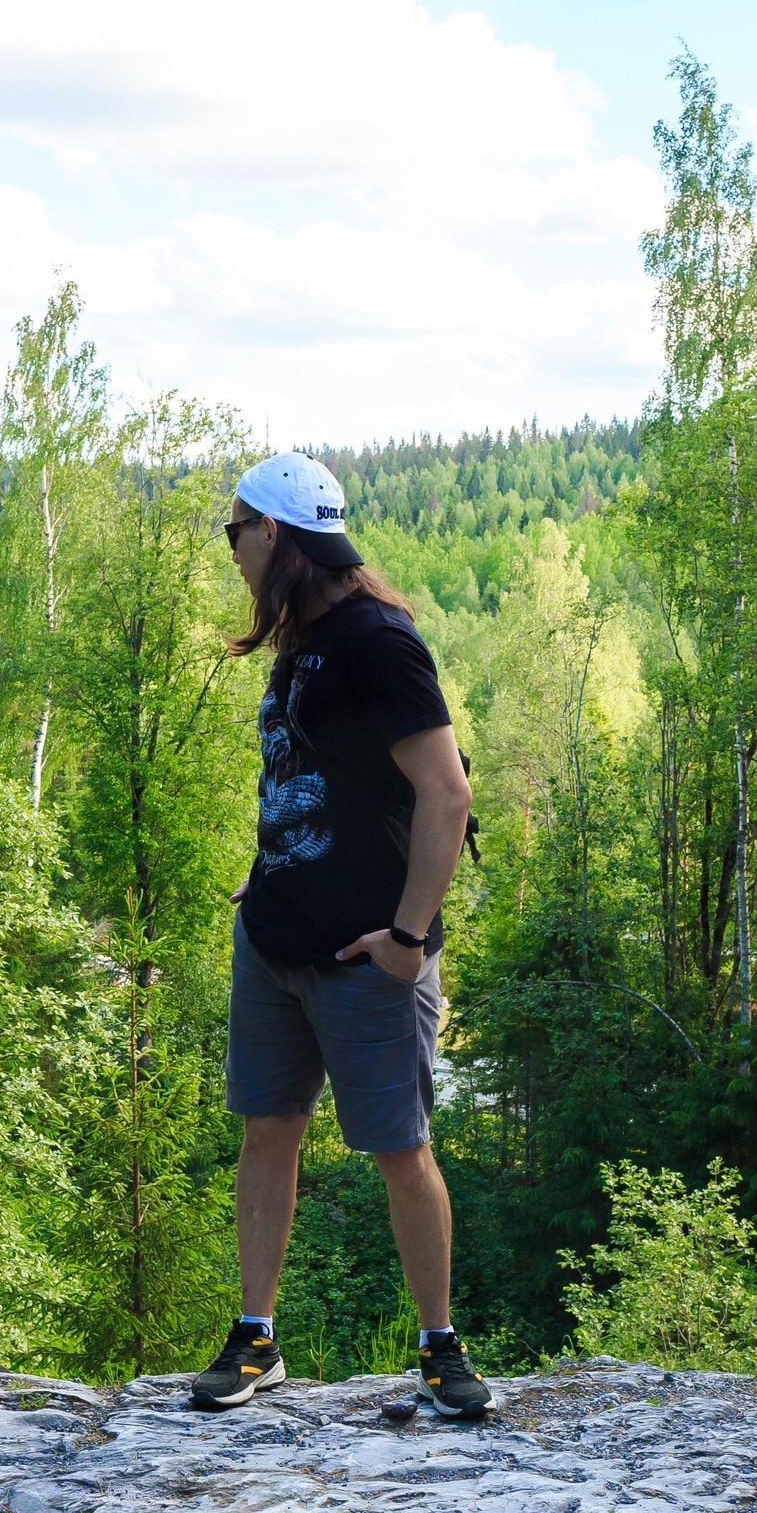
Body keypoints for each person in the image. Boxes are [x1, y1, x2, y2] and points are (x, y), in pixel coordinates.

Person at [187, 451, 490, 1419]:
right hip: (275, 941)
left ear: (273, 535)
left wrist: (407, 938)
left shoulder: (374, 640)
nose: (229, 549)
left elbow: (446, 795)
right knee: (267, 1132)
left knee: (401, 1150)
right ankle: (256, 1341)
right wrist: (268, 862)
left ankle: (439, 1347)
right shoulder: (301, 637)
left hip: (367, 956)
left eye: (234, 531)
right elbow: (314, 776)